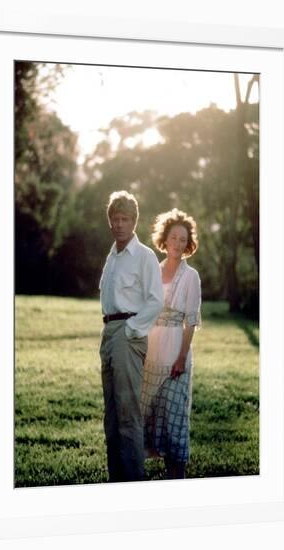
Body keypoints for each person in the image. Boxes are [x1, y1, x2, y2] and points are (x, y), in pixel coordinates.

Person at [99, 190, 164, 482]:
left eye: (125, 219)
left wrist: (131, 330)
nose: (120, 224)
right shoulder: (112, 256)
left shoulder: (144, 256)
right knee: (111, 414)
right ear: (110, 222)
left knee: (128, 413)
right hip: (109, 332)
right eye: (115, 219)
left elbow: (155, 300)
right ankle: (116, 480)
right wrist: (114, 331)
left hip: (128, 333)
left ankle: (134, 482)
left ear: (135, 221)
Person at [140, 208, 201, 480]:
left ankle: (177, 479)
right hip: (151, 351)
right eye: (173, 237)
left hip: (176, 353)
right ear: (164, 239)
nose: (177, 243)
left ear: (188, 244)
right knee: (148, 416)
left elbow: (191, 321)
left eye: (182, 239)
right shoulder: (152, 269)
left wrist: (181, 357)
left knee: (174, 421)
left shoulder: (191, 277)